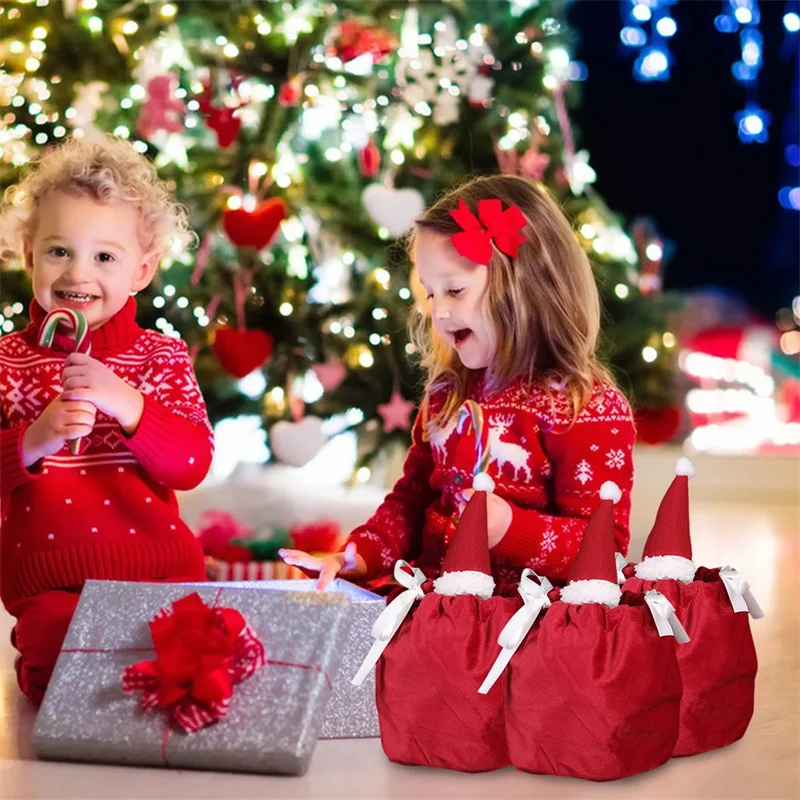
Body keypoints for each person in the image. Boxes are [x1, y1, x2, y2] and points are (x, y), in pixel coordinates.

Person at [280, 174, 635, 591]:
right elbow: (410, 504)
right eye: (430, 294)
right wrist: (363, 553)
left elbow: (602, 550)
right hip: (439, 608)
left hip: (527, 628)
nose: (439, 313)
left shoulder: (586, 406)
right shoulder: (448, 395)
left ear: (527, 286)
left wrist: (508, 528)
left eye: (455, 290)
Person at [0, 136, 213, 704]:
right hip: (53, 582)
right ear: (28, 254)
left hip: (160, 567)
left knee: (197, 649)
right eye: (59, 251)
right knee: (57, 653)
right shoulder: (8, 361)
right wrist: (34, 438)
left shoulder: (160, 357)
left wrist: (130, 403)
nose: (79, 272)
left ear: (142, 270)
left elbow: (191, 463)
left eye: (105, 256)